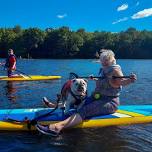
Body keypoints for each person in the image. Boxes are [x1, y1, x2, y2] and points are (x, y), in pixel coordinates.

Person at [36, 49, 137, 136]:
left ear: (111, 60)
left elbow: (121, 82)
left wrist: (130, 80)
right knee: (79, 104)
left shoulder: (115, 70)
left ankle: (56, 128)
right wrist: (95, 79)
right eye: (102, 60)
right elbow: (105, 83)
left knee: (84, 110)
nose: (103, 62)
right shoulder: (103, 70)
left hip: (109, 102)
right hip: (97, 98)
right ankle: (54, 105)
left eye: (106, 60)